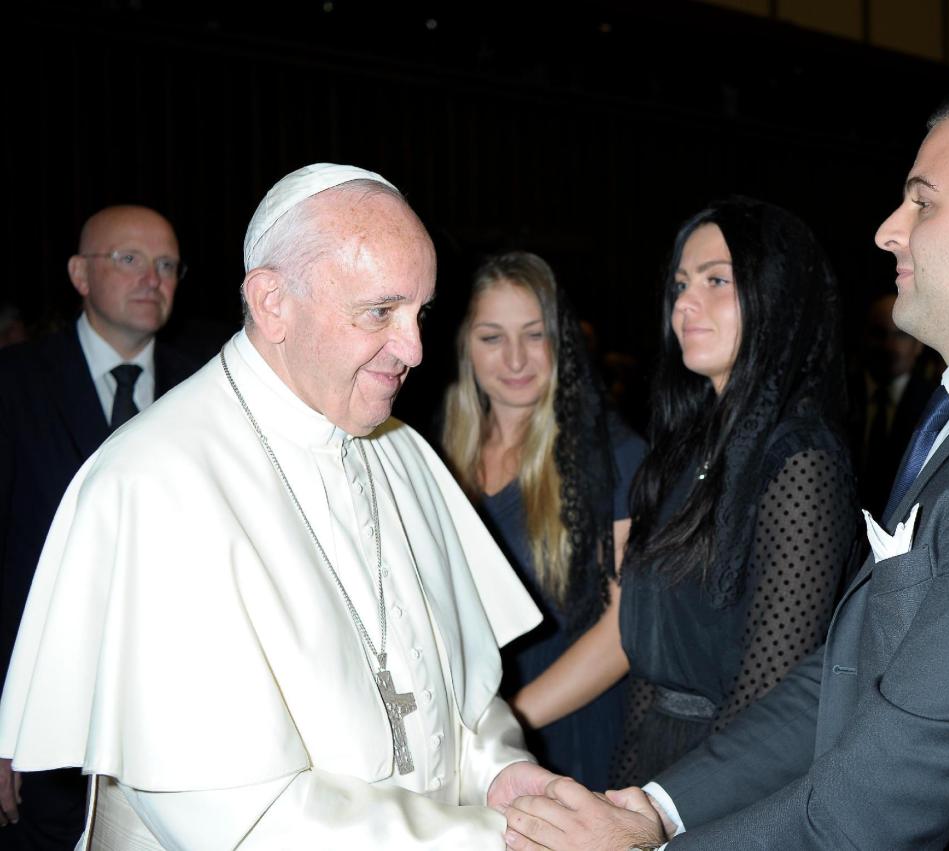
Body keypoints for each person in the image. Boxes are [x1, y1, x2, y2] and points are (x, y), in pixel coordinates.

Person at [504, 72, 949, 850]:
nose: (888, 228)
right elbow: (843, 676)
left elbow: (893, 790)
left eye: (922, 200)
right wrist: (656, 806)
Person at [0, 163, 556, 849]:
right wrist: (496, 835)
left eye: (421, 314)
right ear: (272, 302)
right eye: (379, 311)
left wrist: (503, 773)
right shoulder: (152, 483)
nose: (413, 349)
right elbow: (247, 821)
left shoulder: (402, 452)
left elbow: (459, 699)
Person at [608, 197, 859, 787]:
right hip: (662, 765)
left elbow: (771, 693)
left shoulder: (801, 459)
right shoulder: (681, 453)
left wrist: (667, 812)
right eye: (680, 285)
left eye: (717, 280)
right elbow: (651, 661)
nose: (686, 303)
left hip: (732, 783)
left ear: (775, 293)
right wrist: (619, 792)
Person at [0, 205, 198, 848]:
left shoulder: (207, 388)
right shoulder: (13, 385)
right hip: (42, 731)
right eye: (129, 259)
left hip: (177, 732)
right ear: (79, 275)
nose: (152, 278)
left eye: (167, 264)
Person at [442, 252, 644, 790]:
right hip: (463, 742)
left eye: (533, 335)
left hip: (566, 736)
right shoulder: (432, 453)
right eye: (491, 337)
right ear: (464, 343)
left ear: (563, 340)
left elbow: (624, 633)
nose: (514, 359)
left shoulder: (617, 456)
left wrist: (510, 721)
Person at [850, 291, 938, 517]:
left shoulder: (936, 407)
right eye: (879, 334)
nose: (888, 346)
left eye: (901, 335)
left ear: (919, 344)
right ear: (863, 338)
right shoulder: (839, 396)